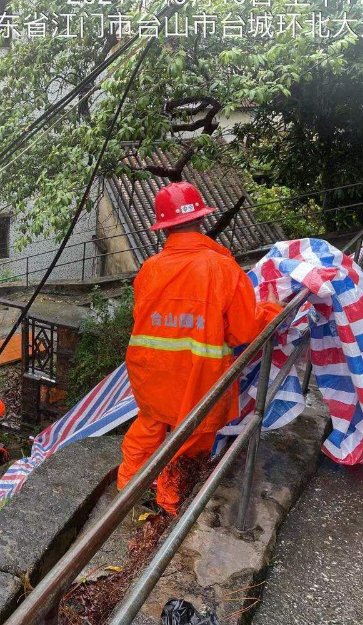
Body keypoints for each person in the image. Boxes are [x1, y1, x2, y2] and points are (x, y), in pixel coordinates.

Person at [117, 182, 282, 515]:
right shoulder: (221, 268)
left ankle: (126, 490)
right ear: (202, 220)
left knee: (148, 426)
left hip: (149, 370)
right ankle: (169, 507)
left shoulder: (150, 269)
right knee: (188, 442)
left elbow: (147, 319)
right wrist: (273, 310)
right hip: (197, 377)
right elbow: (244, 330)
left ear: (163, 226)